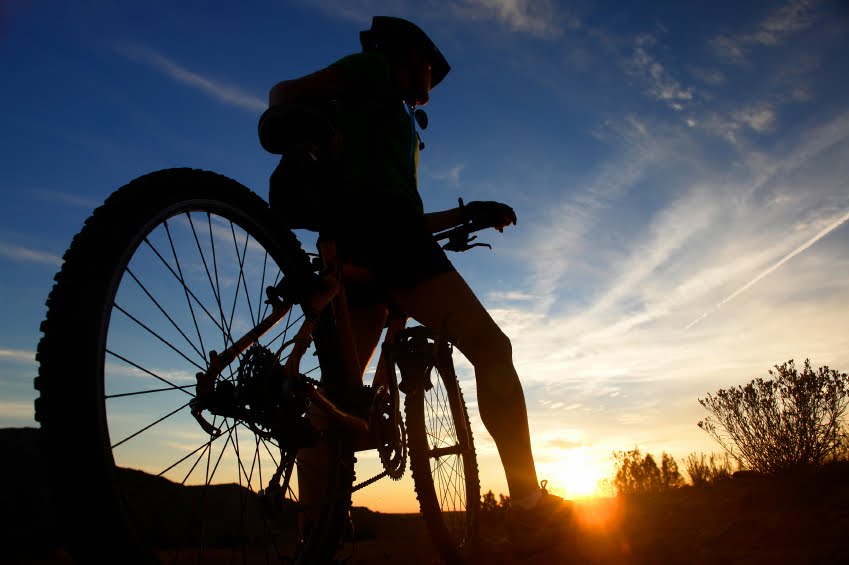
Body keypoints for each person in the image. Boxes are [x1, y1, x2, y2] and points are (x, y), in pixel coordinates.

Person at [266, 16, 571, 549]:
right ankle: (527, 504)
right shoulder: (373, 70)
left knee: (336, 401)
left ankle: (318, 533)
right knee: (493, 349)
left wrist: (465, 214)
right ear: (411, 57)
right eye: (429, 69)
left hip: (358, 246)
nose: (430, 83)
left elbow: (403, 211)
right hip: (392, 245)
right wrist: (303, 126)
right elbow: (284, 92)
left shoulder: (384, 115)